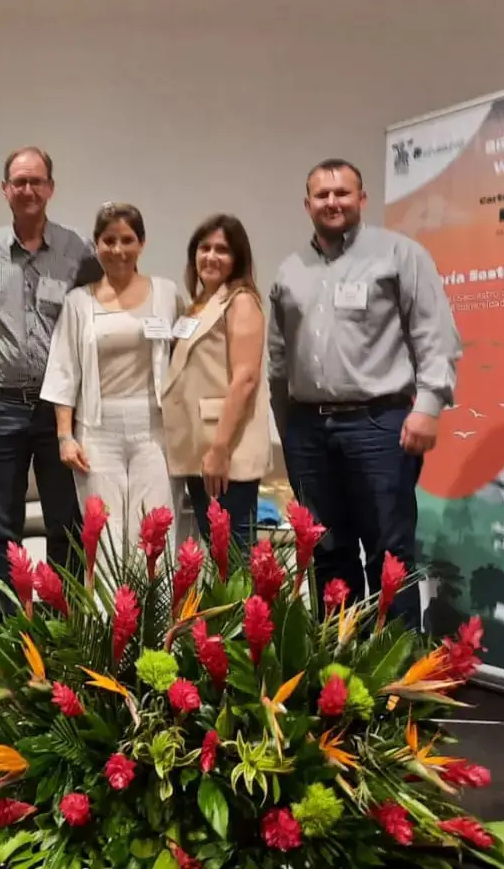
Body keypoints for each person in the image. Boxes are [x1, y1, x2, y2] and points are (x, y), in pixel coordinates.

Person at [269, 158, 461, 630]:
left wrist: (429, 405)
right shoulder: (290, 271)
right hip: (308, 430)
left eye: (342, 192)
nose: (332, 202)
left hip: (379, 424)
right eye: (322, 194)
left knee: (389, 555)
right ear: (307, 204)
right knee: (326, 552)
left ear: (362, 198)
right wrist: (286, 426)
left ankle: (397, 668)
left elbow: (435, 334)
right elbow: (278, 357)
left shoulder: (399, 254)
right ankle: (340, 663)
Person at [0, 147, 98, 590]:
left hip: (61, 411)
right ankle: (8, 623)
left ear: (50, 188)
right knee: (2, 529)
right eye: (19, 182)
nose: (27, 190)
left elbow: (106, 302)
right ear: (5, 190)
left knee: (66, 524)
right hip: (0, 406)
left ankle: (64, 622)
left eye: (36, 181)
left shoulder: (78, 250)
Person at [41, 202, 181, 560]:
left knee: (153, 533)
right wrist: (65, 436)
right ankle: (108, 601)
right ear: (96, 244)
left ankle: (154, 601)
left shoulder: (166, 293)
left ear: (142, 243)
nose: (118, 250)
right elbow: (63, 370)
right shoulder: (78, 302)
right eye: (109, 240)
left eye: (127, 240)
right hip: (97, 431)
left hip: (154, 429)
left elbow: (186, 355)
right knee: (105, 536)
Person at [161, 214, 270, 551]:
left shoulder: (241, 300)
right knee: (217, 551)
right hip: (196, 447)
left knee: (235, 555)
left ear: (237, 258)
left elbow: (246, 379)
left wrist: (220, 449)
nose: (211, 256)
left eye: (222, 250)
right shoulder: (197, 305)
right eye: (204, 248)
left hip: (225, 450)